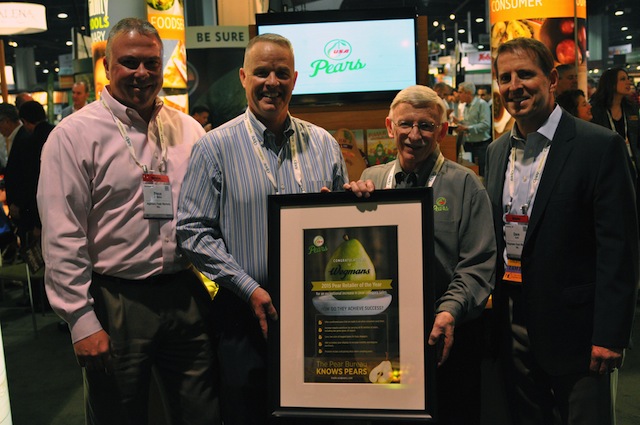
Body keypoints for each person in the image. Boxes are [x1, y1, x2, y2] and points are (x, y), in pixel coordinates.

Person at [37, 18, 218, 425]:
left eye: (151, 63)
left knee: (202, 411)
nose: (142, 73)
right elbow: (62, 235)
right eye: (129, 62)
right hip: (114, 300)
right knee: (117, 413)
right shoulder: (74, 136)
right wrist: (80, 320)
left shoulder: (188, 130)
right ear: (107, 66)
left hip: (184, 293)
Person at [176, 33, 360, 425]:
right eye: (261, 72)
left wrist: (357, 206)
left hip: (317, 315)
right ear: (244, 77)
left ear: (294, 79)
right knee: (247, 412)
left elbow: (343, 226)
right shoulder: (214, 148)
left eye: (280, 73)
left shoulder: (325, 145)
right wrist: (248, 288)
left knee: (315, 415)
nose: (271, 82)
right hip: (243, 314)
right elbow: (192, 230)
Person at [484, 37, 639, 425]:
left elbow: (618, 248)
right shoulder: (495, 151)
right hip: (514, 321)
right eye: (505, 77)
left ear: (551, 78)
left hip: (579, 332)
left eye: (525, 74)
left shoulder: (598, 147)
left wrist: (610, 334)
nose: (514, 85)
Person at [358, 84, 496, 425]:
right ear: (390, 126)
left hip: (448, 338)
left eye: (426, 126)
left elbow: (477, 264)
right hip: (385, 337)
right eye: (405, 124)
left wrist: (449, 312)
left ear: (443, 130)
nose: (414, 135)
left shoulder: (466, 185)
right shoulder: (370, 180)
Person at [9, 100, 54, 246]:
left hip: (41, 210)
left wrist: (37, 224)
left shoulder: (29, 143)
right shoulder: (58, 133)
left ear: (25, 122)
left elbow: (33, 183)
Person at [1, 103, 31, 245]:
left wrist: (18, 203)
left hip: (25, 209)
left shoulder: (23, 138)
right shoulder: (19, 136)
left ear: (6, 121)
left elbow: (27, 176)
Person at [452, 81, 492, 176]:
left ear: (468, 93)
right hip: (469, 144)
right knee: (471, 173)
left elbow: (485, 124)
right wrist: (459, 123)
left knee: (482, 173)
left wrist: (467, 128)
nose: (458, 95)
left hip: (481, 145)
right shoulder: (466, 106)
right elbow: (470, 123)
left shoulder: (482, 104)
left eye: (460, 92)